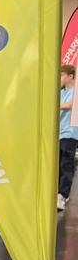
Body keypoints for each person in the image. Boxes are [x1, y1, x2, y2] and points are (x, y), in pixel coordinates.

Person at [59, 64, 76, 212]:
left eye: (62, 75)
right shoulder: (61, 92)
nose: (60, 78)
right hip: (58, 133)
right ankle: (57, 193)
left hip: (70, 133)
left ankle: (63, 195)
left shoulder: (75, 91)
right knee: (57, 165)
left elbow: (69, 105)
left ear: (71, 76)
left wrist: (55, 105)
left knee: (66, 165)